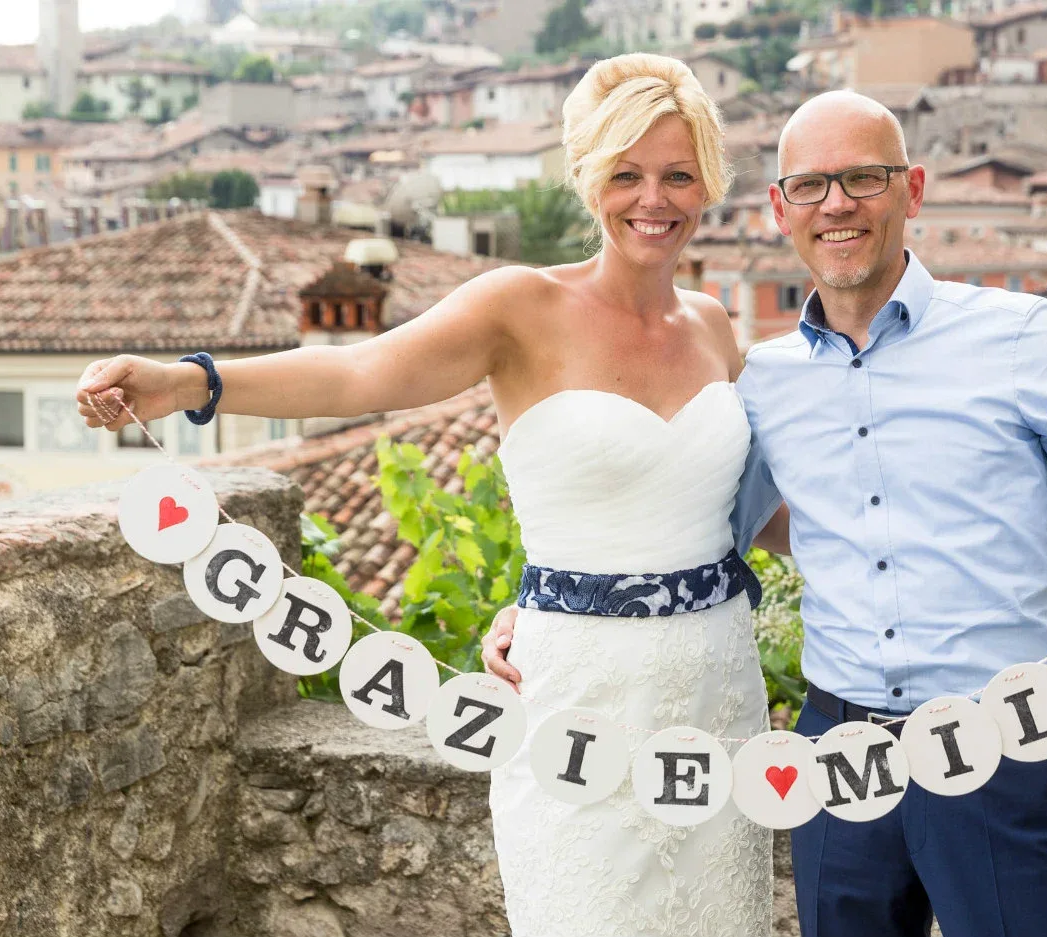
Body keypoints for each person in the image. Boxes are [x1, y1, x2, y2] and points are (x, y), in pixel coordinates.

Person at [486, 90, 1047, 937]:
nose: (838, 204)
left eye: (864, 178)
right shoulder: (765, 380)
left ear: (912, 189)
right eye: (811, 185)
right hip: (837, 762)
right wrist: (551, 604)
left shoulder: (1019, 335)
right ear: (781, 209)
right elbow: (689, 523)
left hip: (1004, 747)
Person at [76, 54, 774, 937]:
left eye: (678, 175)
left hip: (718, 705)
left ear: (708, 182)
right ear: (586, 180)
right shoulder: (519, 306)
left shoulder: (714, 324)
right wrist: (185, 381)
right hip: (577, 705)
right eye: (626, 174)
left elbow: (759, 512)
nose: (654, 199)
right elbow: (359, 370)